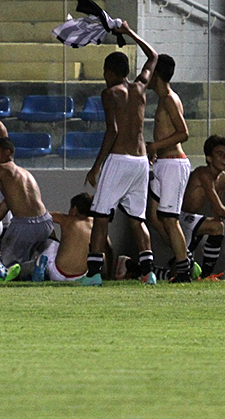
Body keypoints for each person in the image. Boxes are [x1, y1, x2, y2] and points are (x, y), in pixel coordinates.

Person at [83, 21, 159, 286]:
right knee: (138, 219)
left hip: (119, 160)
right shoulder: (140, 89)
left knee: (101, 216)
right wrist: (130, 34)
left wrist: (96, 166)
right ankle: (149, 273)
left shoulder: (110, 93)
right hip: (141, 162)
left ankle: (93, 275)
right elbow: (153, 56)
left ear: (109, 72)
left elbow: (112, 130)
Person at [0, 137, 53, 280]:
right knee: (18, 268)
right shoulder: (25, 173)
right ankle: (34, 266)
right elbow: (5, 207)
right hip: (46, 222)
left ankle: (33, 265)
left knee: (3, 270)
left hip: (25, 225)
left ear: (7, 152)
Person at [146, 54, 192, 282]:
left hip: (174, 163)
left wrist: (154, 145)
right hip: (164, 163)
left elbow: (183, 133)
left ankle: (184, 268)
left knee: (170, 219)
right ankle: (184, 256)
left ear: (156, 74)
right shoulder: (163, 99)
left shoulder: (169, 100)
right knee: (154, 216)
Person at [178, 135, 225, 279]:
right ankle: (137, 270)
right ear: (209, 158)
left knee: (217, 227)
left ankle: (206, 276)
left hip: (190, 221)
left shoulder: (223, 178)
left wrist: (212, 241)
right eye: (220, 154)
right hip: (178, 219)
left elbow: (217, 212)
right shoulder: (203, 173)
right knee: (180, 271)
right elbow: (219, 207)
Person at [31, 193, 97, 283]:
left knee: (49, 232)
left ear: (74, 209)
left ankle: (42, 263)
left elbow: (41, 216)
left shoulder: (66, 219)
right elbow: (108, 248)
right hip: (79, 277)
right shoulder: (96, 225)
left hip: (57, 273)